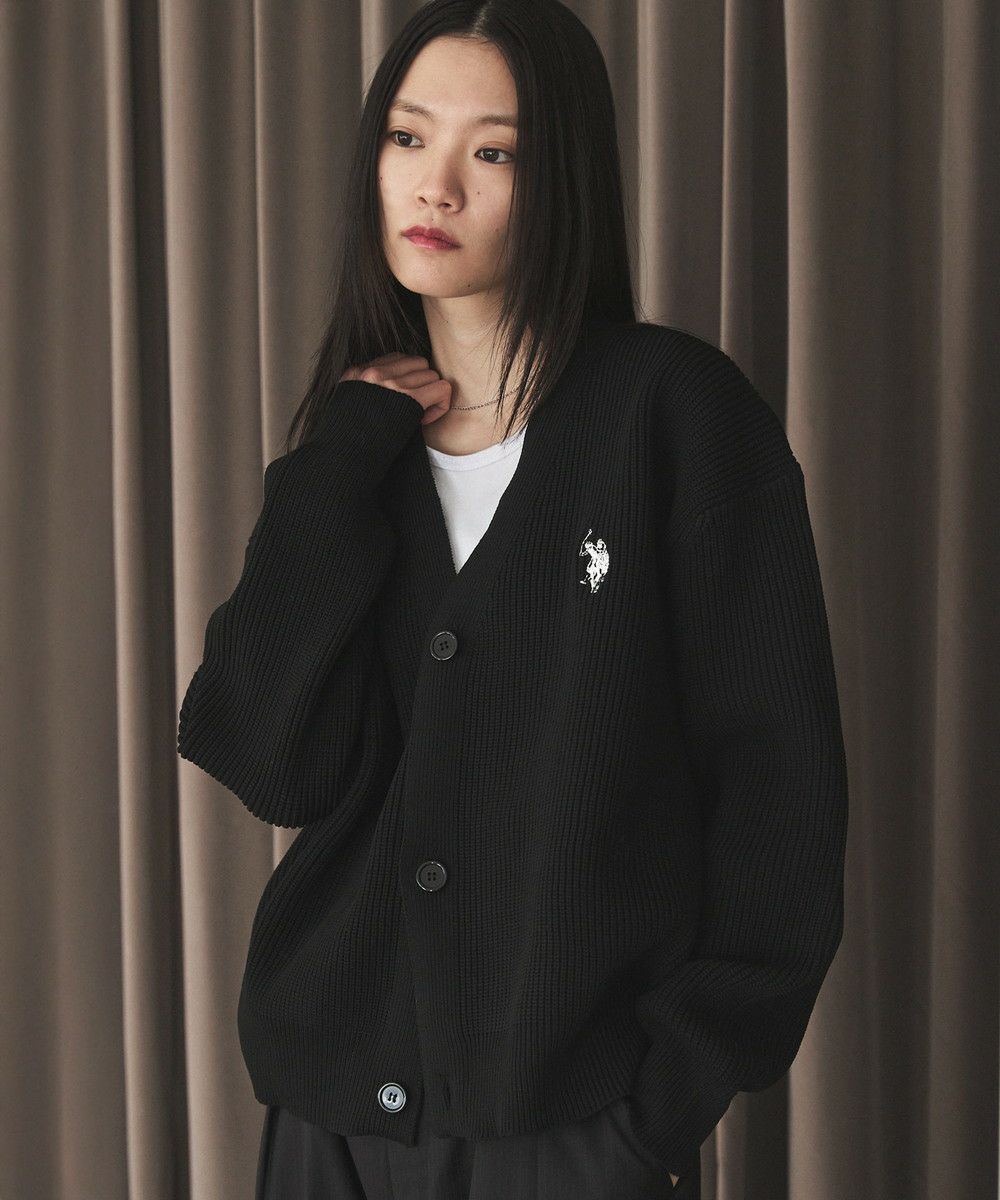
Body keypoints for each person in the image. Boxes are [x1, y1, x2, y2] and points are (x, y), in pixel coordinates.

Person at [177, 2, 849, 1198]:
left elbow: (778, 786)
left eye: (491, 152)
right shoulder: (359, 452)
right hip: (333, 1119)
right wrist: (332, 467)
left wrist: (662, 1101)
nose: (433, 185)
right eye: (406, 137)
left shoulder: (672, 417)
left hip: (574, 1125)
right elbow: (273, 763)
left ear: (561, 180)